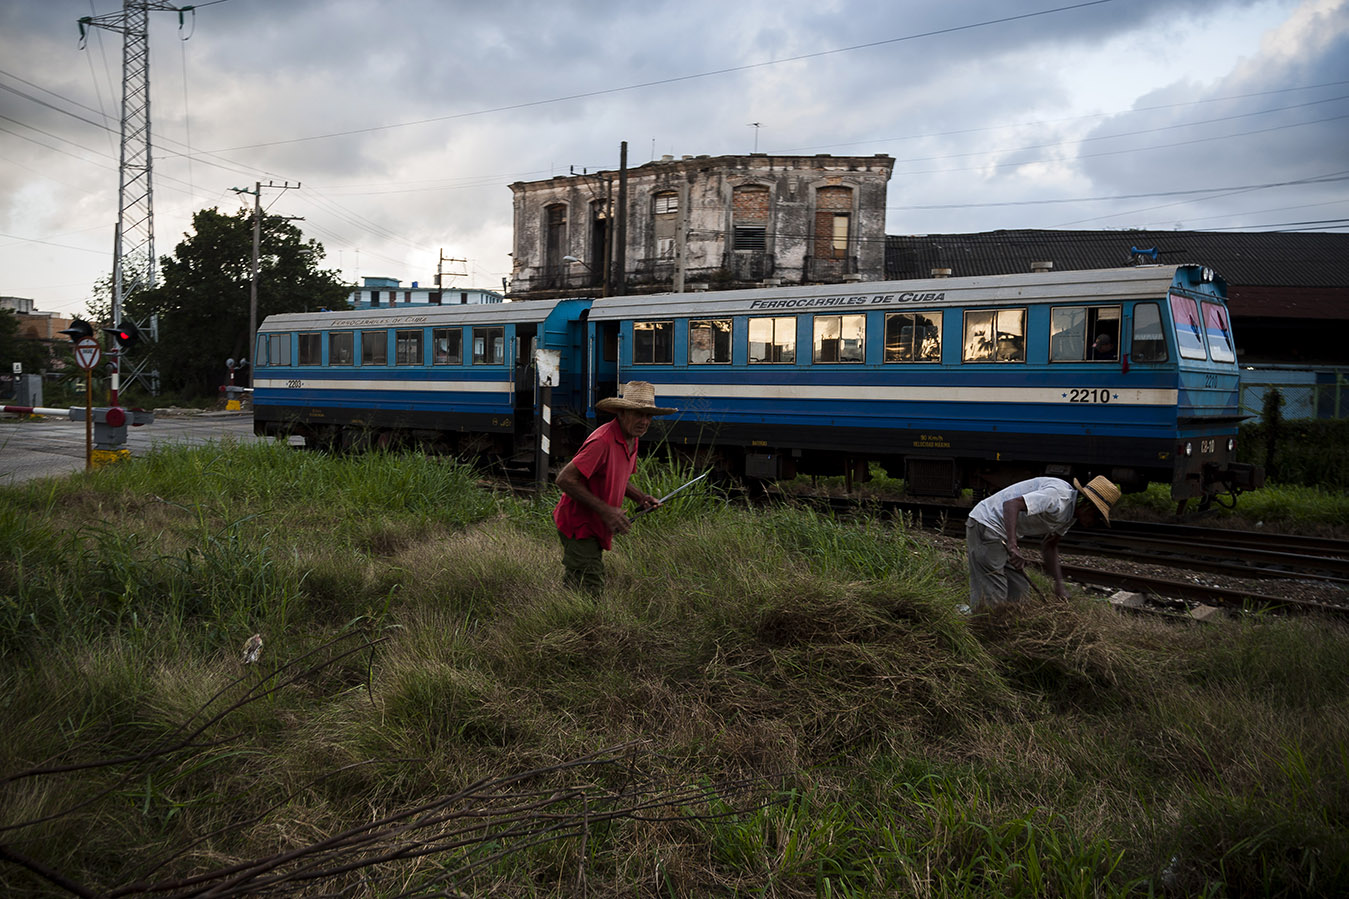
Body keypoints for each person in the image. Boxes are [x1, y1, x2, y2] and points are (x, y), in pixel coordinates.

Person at [553, 381, 676, 594]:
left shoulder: (632, 439)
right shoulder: (602, 441)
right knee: (591, 585)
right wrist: (607, 510)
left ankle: (565, 619)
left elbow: (616, 477)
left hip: (597, 523)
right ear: (622, 412)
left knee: (577, 583)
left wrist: (640, 497)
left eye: (648, 416)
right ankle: (583, 624)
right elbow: (564, 479)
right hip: (579, 523)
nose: (644, 421)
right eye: (639, 414)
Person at [964, 475, 1120, 613]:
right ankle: (983, 631)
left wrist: (1058, 585)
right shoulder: (1057, 498)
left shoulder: (1070, 516)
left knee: (1019, 591)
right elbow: (1011, 505)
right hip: (986, 524)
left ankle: (1005, 631)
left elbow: (1050, 545)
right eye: (1096, 517)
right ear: (1087, 505)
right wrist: (1013, 546)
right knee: (993, 594)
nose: (1094, 523)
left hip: (1004, 533)